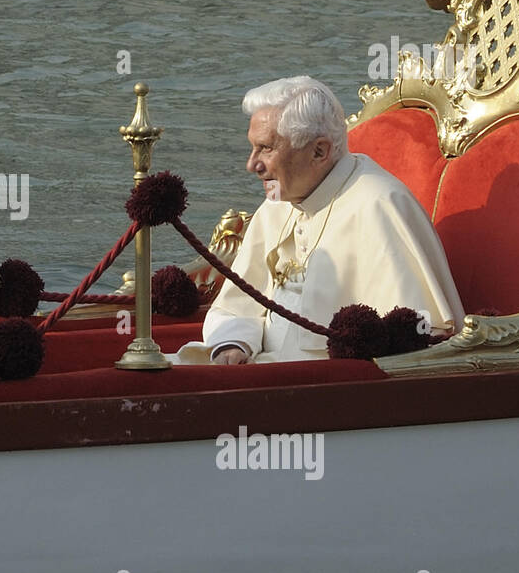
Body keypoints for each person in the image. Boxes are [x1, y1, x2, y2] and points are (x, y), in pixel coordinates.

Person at [178, 76, 465, 364]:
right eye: (252, 148)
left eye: (266, 148)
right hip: (257, 369)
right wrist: (234, 344)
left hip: (327, 388)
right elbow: (237, 306)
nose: (252, 165)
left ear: (319, 151)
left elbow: (418, 343)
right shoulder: (279, 201)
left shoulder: (380, 205)